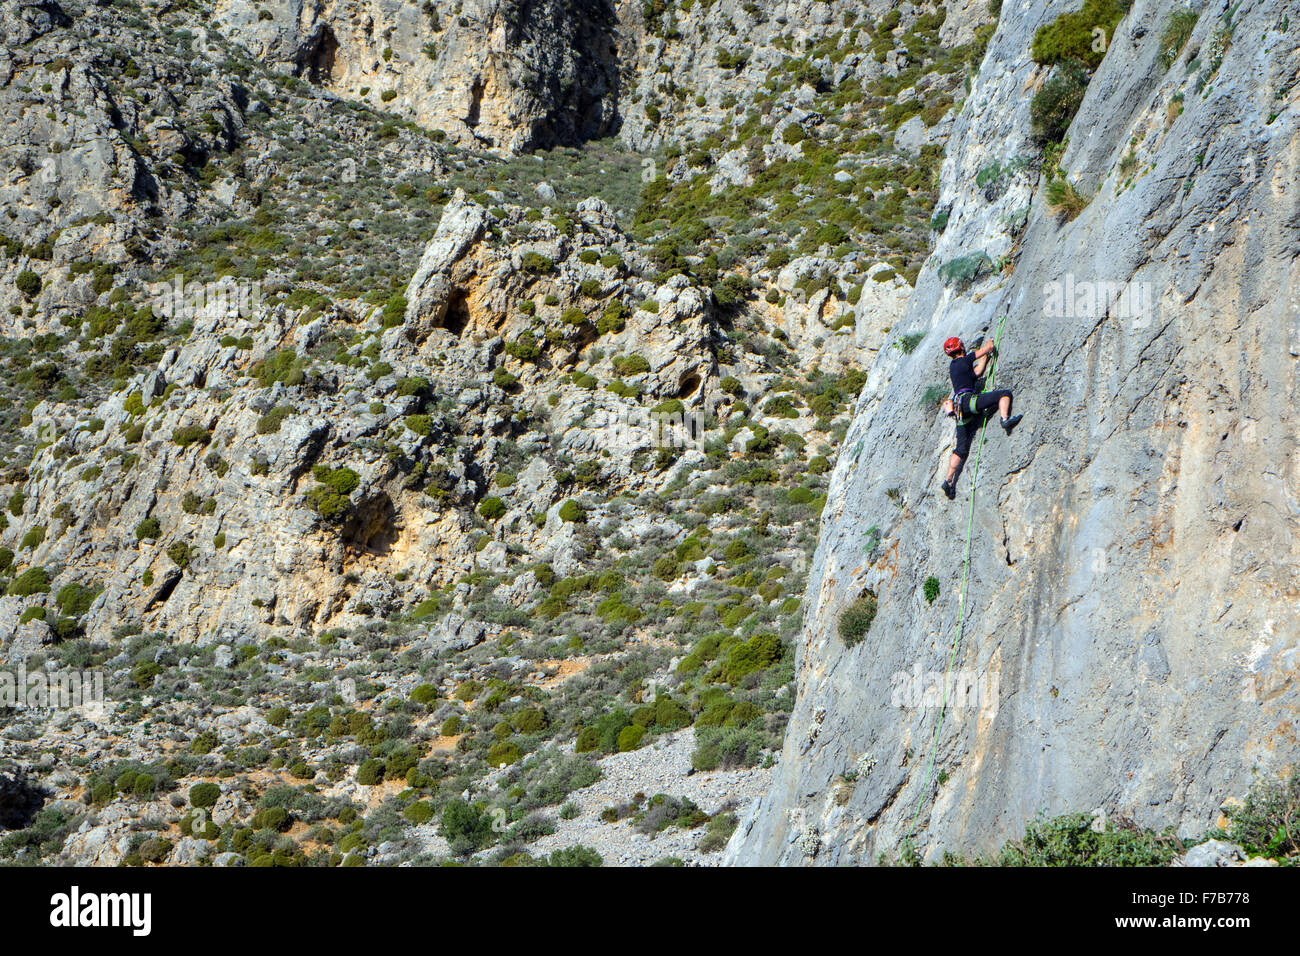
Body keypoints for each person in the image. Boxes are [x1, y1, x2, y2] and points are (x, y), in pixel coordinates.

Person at [939, 335, 1021, 499]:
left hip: (960, 410)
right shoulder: (965, 360)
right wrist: (990, 345)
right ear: (961, 347)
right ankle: (1005, 420)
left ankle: (948, 481)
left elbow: (977, 372)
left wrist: (985, 359)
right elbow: (986, 349)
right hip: (969, 401)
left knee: (961, 449)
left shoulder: (955, 367)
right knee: (1004, 394)